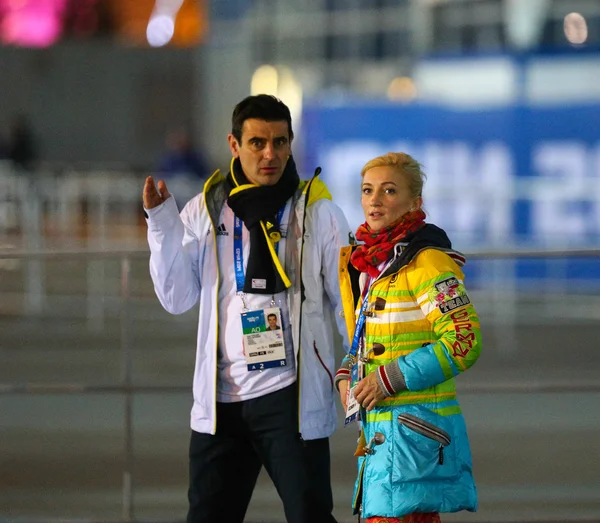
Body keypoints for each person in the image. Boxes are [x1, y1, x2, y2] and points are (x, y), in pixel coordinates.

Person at [143, 94, 350, 523]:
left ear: (292, 143)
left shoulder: (319, 212)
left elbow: (349, 307)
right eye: (257, 142)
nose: (269, 154)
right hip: (222, 402)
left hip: (291, 396)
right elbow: (176, 297)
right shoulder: (207, 206)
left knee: (311, 516)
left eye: (279, 141)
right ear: (234, 145)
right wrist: (161, 224)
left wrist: (363, 374)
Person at [334, 152, 481, 523]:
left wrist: (389, 378)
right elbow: (370, 341)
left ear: (415, 203)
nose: (375, 199)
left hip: (416, 439)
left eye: (388, 190)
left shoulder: (428, 262)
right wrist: (347, 373)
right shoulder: (370, 264)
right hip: (383, 438)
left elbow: (464, 340)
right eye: (368, 190)